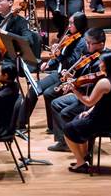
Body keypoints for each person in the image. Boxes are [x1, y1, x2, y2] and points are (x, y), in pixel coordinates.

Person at [61, 50, 111, 174]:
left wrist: (74, 90)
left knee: (67, 129)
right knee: (78, 119)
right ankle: (85, 156)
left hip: (103, 121)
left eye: (101, 61)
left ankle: (80, 163)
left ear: (108, 64)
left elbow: (88, 101)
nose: (99, 63)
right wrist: (90, 111)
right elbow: (105, 102)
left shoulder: (104, 82)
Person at [47, 28, 107, 151]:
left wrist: (75, 85)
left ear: (101, 44)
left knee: (65, 112)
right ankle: (63, 141)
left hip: (95, 100)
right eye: (86, 42)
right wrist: (71, 76)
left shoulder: (105, 61)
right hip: (83, 94)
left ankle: (77, 139)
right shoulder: (89, 54)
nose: (87, 45)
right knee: (55, 103)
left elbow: (95, 85)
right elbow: (82, 75)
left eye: (90, 43)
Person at [37, 12, 89, 140]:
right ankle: (51, 126)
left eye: (72, 23)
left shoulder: (81, 41)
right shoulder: (68, 36)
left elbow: (71, 62)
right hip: (60, 73)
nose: (69, 25)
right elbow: (62, 56)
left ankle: (55, 129)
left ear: (79, 24)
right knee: (39, 89)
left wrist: (58, 54)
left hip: (70, 75)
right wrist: (51, 62)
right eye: (69, 22)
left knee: (49, 93)